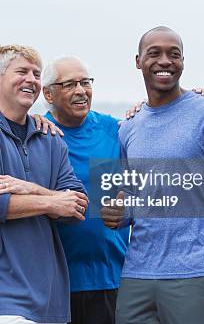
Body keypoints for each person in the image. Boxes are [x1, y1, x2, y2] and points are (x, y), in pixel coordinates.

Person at [102, 26, 204, 323]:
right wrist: (117, 215)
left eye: (174, 54)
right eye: (154, 53)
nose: (165, 61)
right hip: (136, 275)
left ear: (183, 61)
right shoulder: (129, 128)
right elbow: (136, 200)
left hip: (197, 273)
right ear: (138, 61)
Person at [0, 44, 89, 324]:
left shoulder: (50, 137)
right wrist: (51, 201)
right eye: (22, 71)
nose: (31, 80)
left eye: (36, 74)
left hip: (50, 296)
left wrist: (33, 189)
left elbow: (77, 207)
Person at [42, 56, 129, 324]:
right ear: (48, 93)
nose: (81, 91)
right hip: (52, 283)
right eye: (69, 84)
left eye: (85, 82)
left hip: (110, 278)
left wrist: (199, 99)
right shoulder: (37, 133)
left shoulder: (114, 129)